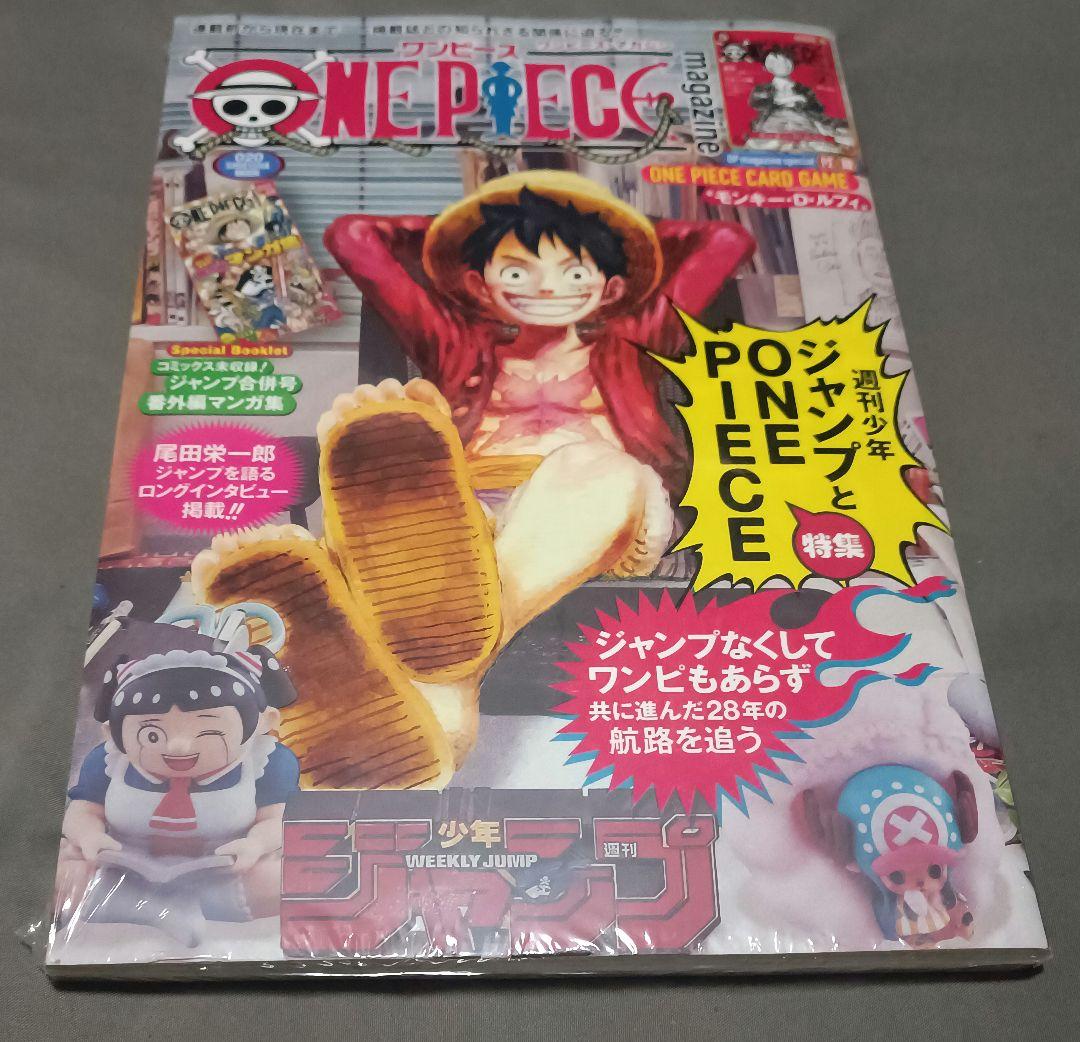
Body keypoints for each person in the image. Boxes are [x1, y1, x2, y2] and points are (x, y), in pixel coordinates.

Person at [192, 172, 754, 773]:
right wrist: (470, 231)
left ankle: (428, 673)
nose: (546, 288)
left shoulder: (640, 338)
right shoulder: (454, 343)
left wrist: (597, 227)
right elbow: (354, 236)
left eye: (573, 273)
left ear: (611, 286)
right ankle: (435, 705)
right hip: (457, 517)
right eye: (517, 272)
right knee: (395, 505)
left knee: (597, 467)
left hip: (592, 513)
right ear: (478, 282)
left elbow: (726, 241)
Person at [57, 627, 300, 947]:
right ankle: (149, 909)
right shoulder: (108, 761)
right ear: (112, 733)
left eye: (208, 731)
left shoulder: (268, 761)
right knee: (58, 871)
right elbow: (83, 810)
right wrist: (89, 837)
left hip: (223, 869)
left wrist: (255, 845)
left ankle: (184, 904)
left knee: (286, 878)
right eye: (152, 735)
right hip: (122, 864)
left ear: (263, 723)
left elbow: (277, 818)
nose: (179, 747)